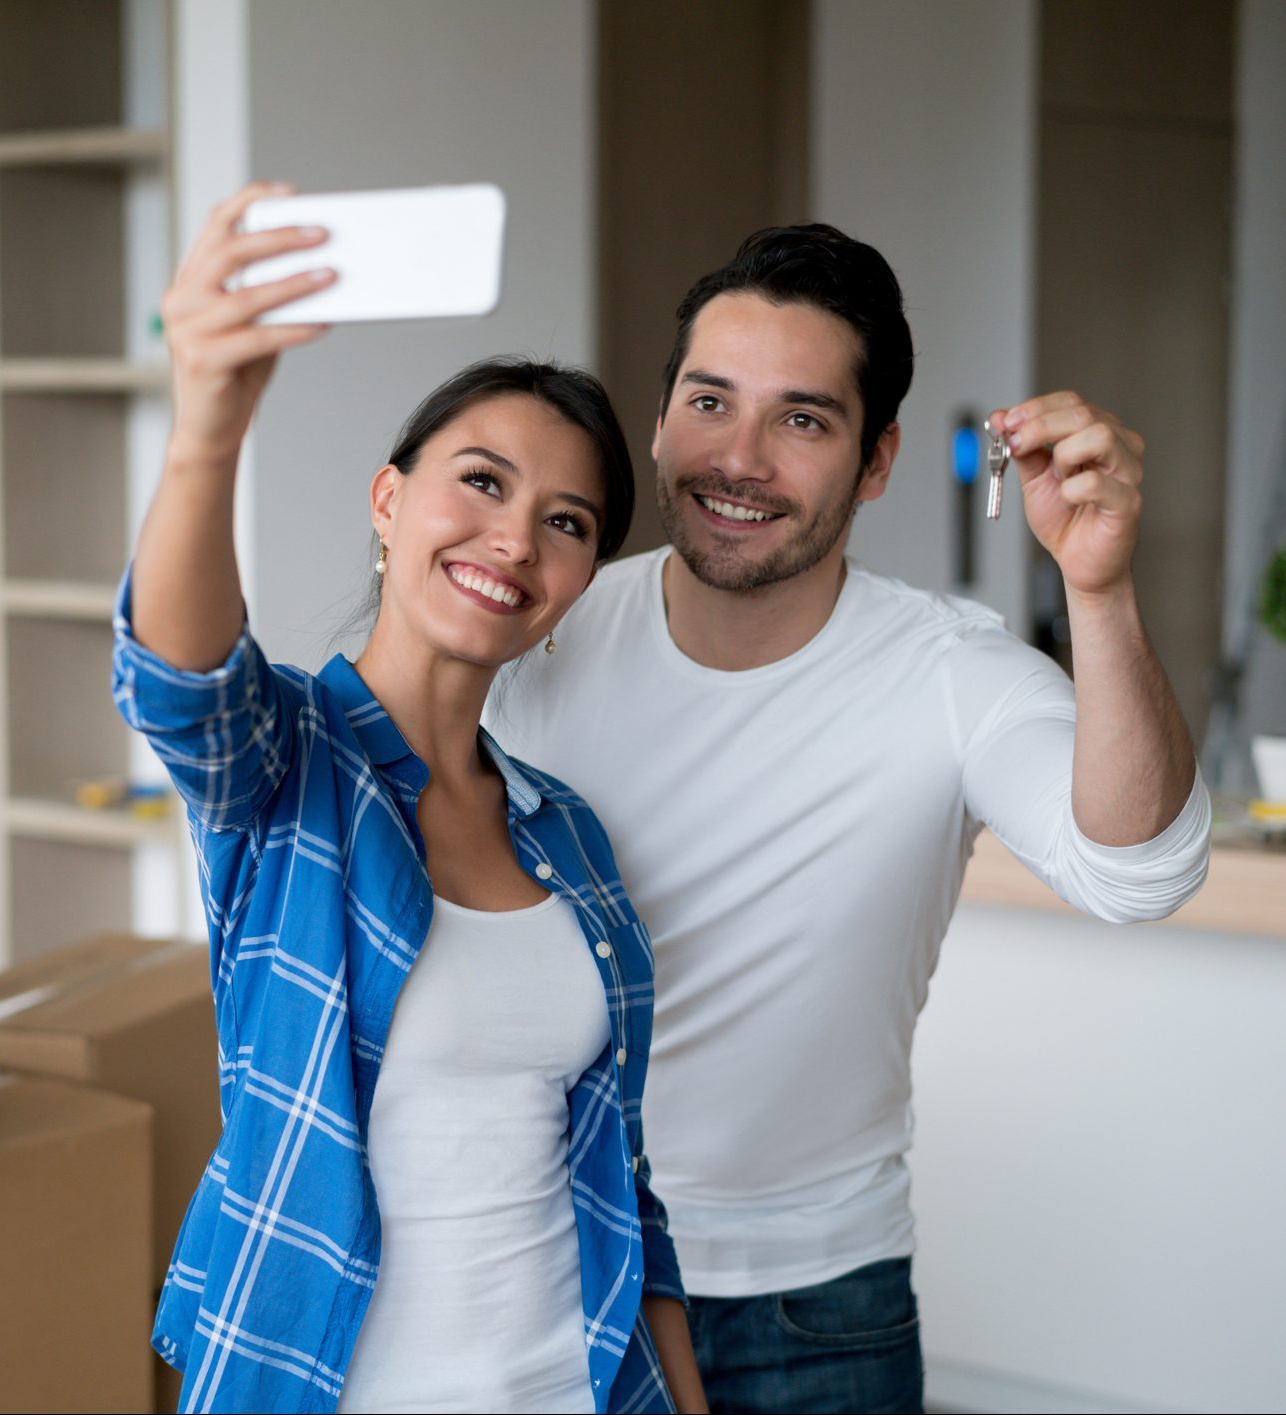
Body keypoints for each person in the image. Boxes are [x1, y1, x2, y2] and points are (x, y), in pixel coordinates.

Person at [488, 223, 1212, 1415]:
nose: (739, 457)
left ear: (874, 464)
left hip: (813, 1301)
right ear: (660, 419)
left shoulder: (947, 669)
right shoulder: (542, 632)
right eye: (709, 401)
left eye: (801, 420)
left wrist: (1096, 586)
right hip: (549, 1262)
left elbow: (1136, 871)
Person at [112, 182, 707, 1415]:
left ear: (577, 582)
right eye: (479, 482)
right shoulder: (290, 765)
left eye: (565, 521)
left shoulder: (570, 837)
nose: (512, 539)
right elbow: (181, 685)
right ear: (390, 502)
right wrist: (206, 425)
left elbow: (618, 1179)